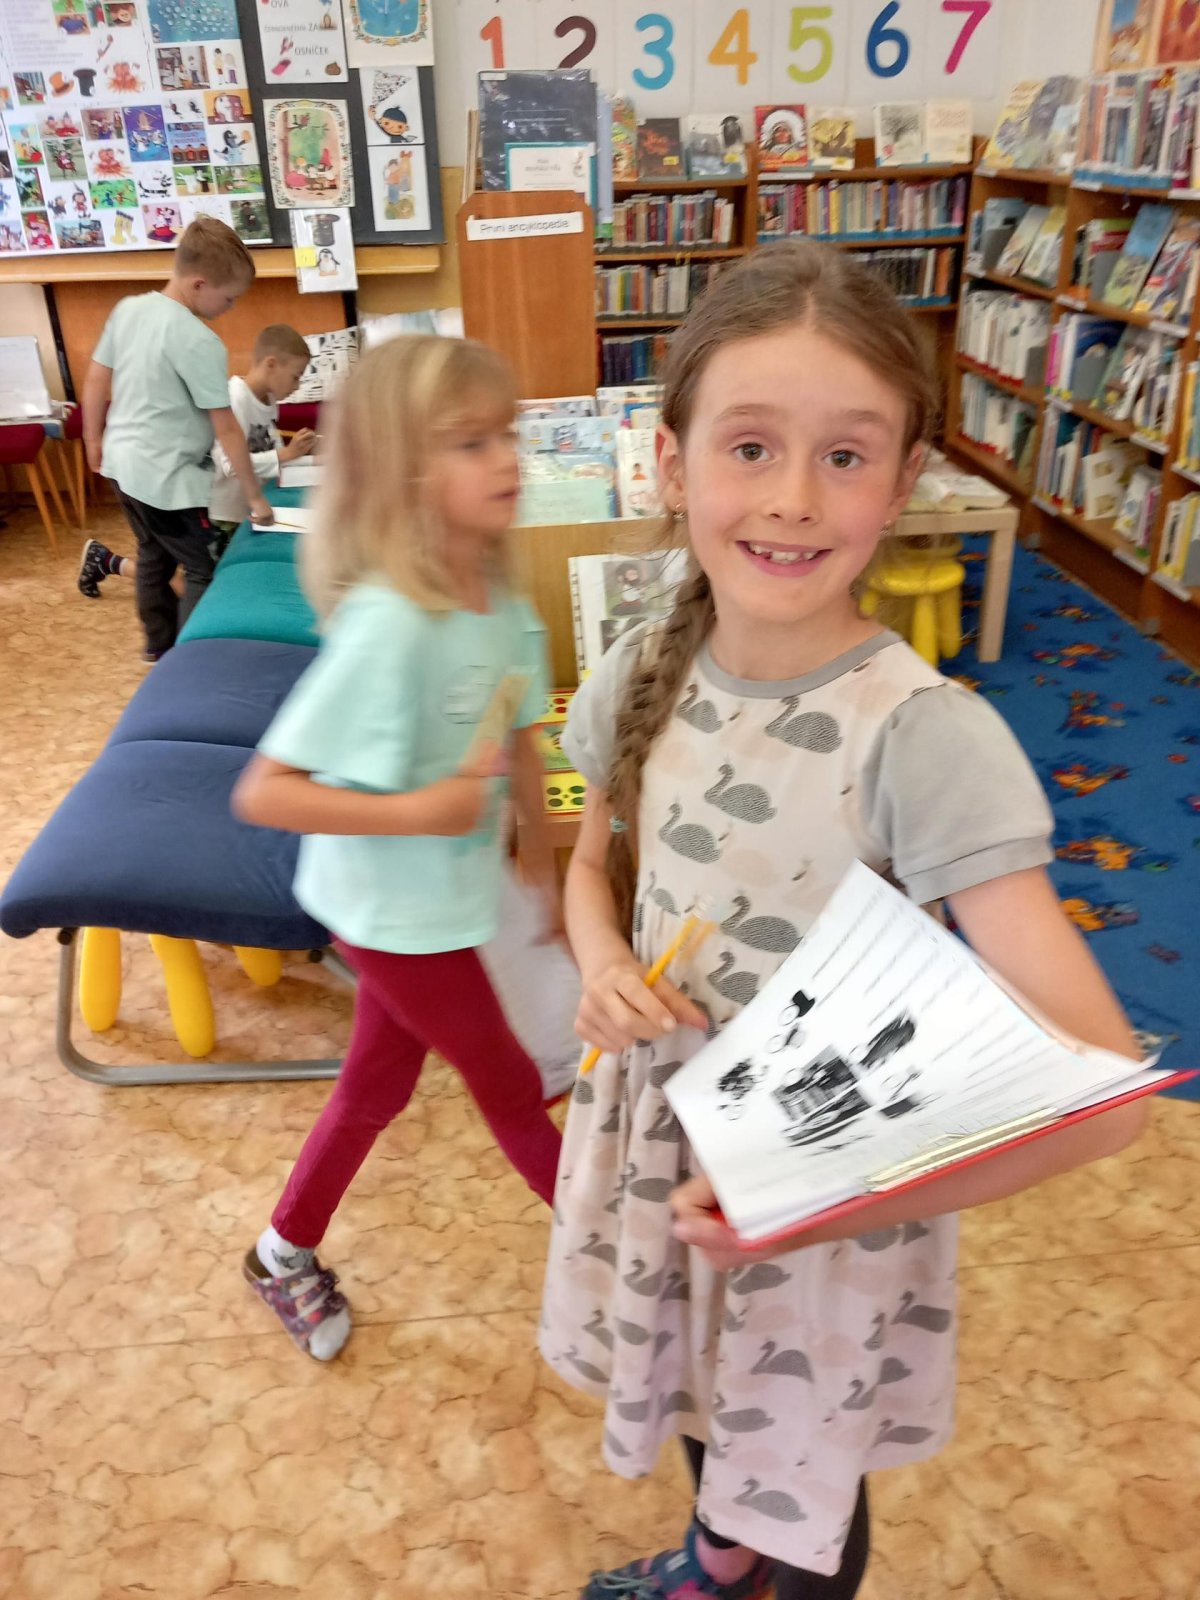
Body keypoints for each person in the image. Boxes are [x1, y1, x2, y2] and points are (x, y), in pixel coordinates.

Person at [539, 240, 1146, 1600]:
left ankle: (761, 1567)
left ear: (905, 480)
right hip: (665, 1143)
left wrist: (828, 1205)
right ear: (670, 460)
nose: (794, 499)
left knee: (802, 1469)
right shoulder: (640, 664)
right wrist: (603, 961)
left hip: (825, 1197)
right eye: (750, 447)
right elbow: (589, 868)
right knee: (705, 1398)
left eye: (847, 456)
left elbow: (1103, 1095)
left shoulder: (925, 738)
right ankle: (718, 1562)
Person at [231, 334, 564, 1361]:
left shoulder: (505, 604)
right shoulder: (391, 625)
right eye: (471, 442)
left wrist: (551, 865)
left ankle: (280, 1250)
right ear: (405, 475)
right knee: (513, 1088)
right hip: (386, 912)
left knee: (375, 1085)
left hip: (446, 901)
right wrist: (422, 811)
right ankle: (651, 1275)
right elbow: (264, 792)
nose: (505, 459)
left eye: (505, 435)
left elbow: (522, 733)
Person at [80, 215, 273, 660]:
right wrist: (255, 498)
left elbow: (95, 379)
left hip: (121, 468)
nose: (231, 307)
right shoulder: (199, 340)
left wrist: (93, 439)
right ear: (200, 285)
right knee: (203, 568)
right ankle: (190, 664)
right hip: (166, 481)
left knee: (153, 555)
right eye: (229, 297)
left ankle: (158, 646)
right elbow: (227, 427)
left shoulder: (128, 309)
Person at [80, 323, 315, 597]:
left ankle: (107, 560)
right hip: (218, 514)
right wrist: (286, 454)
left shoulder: (268, 401)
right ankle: (109, 561)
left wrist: (311, 459)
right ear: (271, 364)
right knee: (206, 585)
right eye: (296, 377)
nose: (297, 386)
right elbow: (231, 465)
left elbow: (274, 454)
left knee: (205, 580)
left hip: (241, 510)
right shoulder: (235, 399)